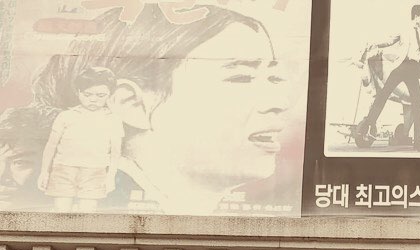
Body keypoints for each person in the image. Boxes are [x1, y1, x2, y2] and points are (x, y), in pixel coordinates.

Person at [32, 5, 293, 215]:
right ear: (131, 103)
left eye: (274, 78)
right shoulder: (95, 209)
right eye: (242, 78)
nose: (279, 103)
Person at [37, 66, 124, 212]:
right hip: (63, 169)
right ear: (78, 92)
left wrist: (110, 177)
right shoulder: (66, 116)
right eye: (87, 94)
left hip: (95, 171)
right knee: (61, 211)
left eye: (100, 95)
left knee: (87, 211)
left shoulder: (113, 120)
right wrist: (44, 172)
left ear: (110, 94)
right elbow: (51, 145)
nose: (93, 99)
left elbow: (116, 152)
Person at [354, 4, 420, 149]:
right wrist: (374, 44)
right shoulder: (404, 29)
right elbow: (389, 41)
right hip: (402, 66)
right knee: (383, 94)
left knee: (418, 103)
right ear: (416, 16)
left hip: (413, 70)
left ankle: (418, 142)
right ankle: (368, 124)